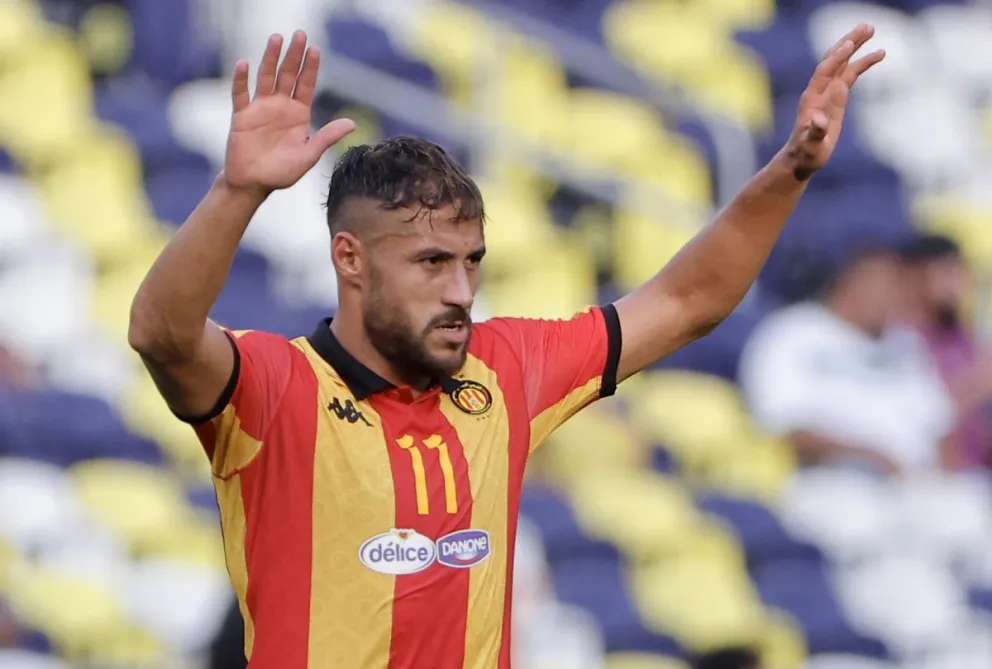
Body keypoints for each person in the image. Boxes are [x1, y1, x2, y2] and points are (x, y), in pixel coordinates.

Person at [128, 27, 884, 669]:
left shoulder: (504, 367)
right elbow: (160, 333)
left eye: (472, 261)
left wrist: (791, 171)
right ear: (351, 260)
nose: (462, 288)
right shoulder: (276, 384)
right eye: (431, 263)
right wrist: (238, 193)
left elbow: (687, 301)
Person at [739, 246, 956, 475]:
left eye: (896, 288)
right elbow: (782, 428)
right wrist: (868, 455)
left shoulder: (905, 343)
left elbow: (940, 426)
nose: (892, 297)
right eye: (883, 287)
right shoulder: (793, 331)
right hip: (829, 478)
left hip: (915, 484)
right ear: (849, 284)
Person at [901, 233, 992, 471]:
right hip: (931, 478)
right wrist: (978, 383)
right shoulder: (898, 340)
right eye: (945, 272)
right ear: (913, 277)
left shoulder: (969, 339)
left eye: (960, 272)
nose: (956, 284)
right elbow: (913, 419)